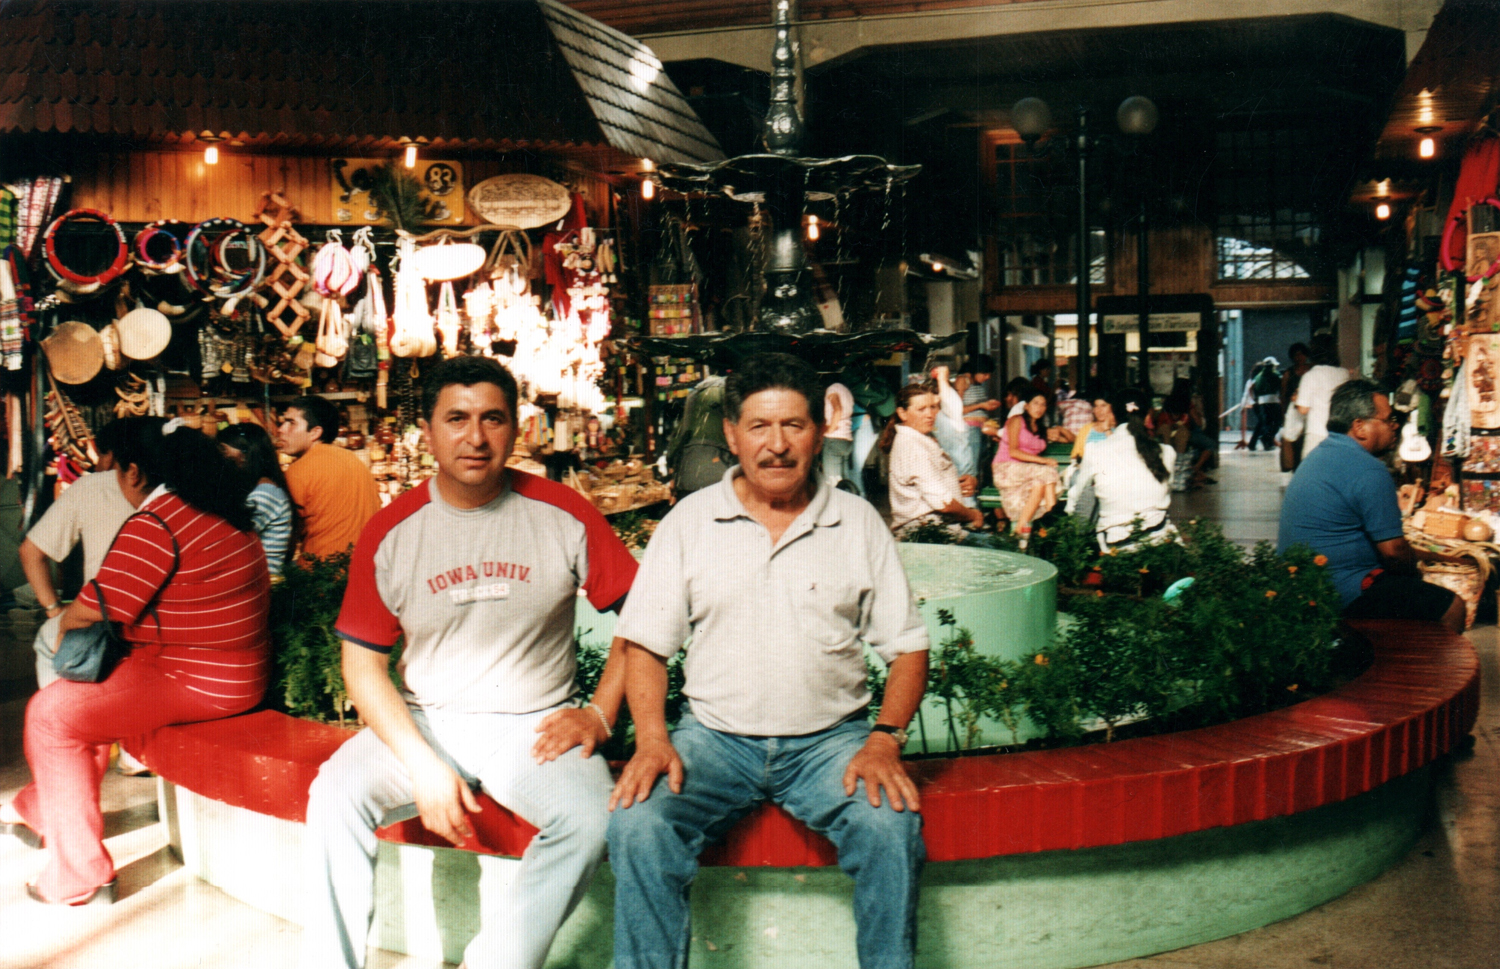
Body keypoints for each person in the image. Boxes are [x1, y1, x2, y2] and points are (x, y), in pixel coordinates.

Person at [300, 356, 639, 969]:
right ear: (427, 431)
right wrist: (423, 767)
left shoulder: (565, 512)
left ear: (517, 428)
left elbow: (645, 617)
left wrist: (599, 713)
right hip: (427, 721)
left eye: (493, 419)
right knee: (334, 795)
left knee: (590, 822)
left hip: (534, 726)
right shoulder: (391, 530)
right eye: (456, 419)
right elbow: (361, 668)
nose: (475, 438)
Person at [606, 352, 930, 969]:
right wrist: (652, 737)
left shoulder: (857, 523)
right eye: (759, 427)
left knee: (891, 829)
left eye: (793, 426)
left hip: (831, 744)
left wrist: (885, 739)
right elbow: (646, 644)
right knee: (638, 824)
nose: (776, 445)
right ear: (732, 435)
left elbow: (908, 646)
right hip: (714, 742)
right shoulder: (688, 523)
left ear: (819, 430)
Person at [1, 417, 270, 904]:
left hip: (192, 678)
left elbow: (86, 611)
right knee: (80, 704)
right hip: (238, 671)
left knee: (51, 715)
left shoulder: (160, 522)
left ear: (134, 472)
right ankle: (44, 810)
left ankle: (79, 876)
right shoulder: (223, 508)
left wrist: (64, 619)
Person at [1279, 379, 1464, 633]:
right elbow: (1394, 552)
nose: (1395, 426)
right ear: (1359, 427)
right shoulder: (1368, 469)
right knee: (1452, 606)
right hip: (1343, 590)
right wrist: (1417, 573)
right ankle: (1424, 672)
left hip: (1306, 583)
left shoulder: (1321, 454)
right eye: (1387, 420)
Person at [19, 419, 134, 689]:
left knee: (49, 641)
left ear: (110, 456)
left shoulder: (92, 486)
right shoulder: (178, 491)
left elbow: (30, 551)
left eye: (100, 455)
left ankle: (56, 712)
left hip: (105, 624)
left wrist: (54, 611)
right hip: (163, 620)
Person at [1066, 389, 1176, 550]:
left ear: (1112, 416)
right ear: (1147, 417)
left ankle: (1077, 553)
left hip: (1117, 546)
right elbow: (1167, 493)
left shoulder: (1095, 451)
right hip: (1160, 540)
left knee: (1089, 492)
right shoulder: (1166, 452)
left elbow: (1076, 496)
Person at [278, 394, 382, 559]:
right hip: (365, 567)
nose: (281, 429)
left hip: (322, 573)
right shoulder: (353, 459)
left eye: (291, 423)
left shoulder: (299, 471)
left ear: (315, 433)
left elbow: (283, 537)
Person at [882, 382, 987, 539]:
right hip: (927, 536)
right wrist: (973, 515)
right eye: (921, 409)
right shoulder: (912, 446)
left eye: (933, 407)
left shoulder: (919, 439)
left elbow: (928, 484)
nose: (930, 414)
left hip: (937, 530)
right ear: (902, 413)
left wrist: (958, 485)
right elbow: (943, 504)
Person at [218, 423, 294, 576]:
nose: (220, 457)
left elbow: (230, 541)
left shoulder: (265, 494)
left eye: (223, 450)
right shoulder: (258, 488)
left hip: (263, 584)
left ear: (246, 455)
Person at [992, 389, 1060, 548]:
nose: (1039, 407)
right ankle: (1052, 518)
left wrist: (1059, 432)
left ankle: (1018, 533)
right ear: (1027, 406)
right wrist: (1043, 460)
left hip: (1028, 473)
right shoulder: (1017, 421)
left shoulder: (1041, 428)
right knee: (1047, 471)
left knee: (1039, 484)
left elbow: (1069, 438)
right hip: (1006, 468)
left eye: (1043, 404)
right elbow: (1013, 451)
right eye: (1036, 403)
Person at [1289, 336, 1349, 459]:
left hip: (1316, 434)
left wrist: (1296, 399)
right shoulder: (1344, 373)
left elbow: (1303, 409)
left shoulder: (1310, 375)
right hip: (1340, 434)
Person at [929, 363, 975, 492]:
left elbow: (949, 400)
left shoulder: (953, 416)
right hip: (942, 479)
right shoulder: (930, 420)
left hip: (961, 479)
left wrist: (942, 379)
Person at [1237, 357, 1282, 452]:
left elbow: (1248, 392)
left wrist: (1251, 401)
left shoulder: (1255, 379)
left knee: (1262, 424)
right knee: (1266, 424)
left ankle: (1255, 443)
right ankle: (1264, 441)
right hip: (1264, 403)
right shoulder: (1268, 376)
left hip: (1258, 404)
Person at [1280, 342, 1312, 472]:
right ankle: (1295, 468)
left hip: (1309, 410)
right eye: (1296, 355)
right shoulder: (1288, 373)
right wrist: (1283, 413)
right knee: (1294, 440)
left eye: (1301, 354)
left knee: (1306, 439)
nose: (1299, 357)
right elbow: (1283, 394)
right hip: (1293, 411)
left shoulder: (1312, 370)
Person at [823, 378, 858, 493]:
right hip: (847, 439)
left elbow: (837, 409)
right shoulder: (847, 392)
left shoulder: (832, 389)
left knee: (833, 481)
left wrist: (829, 430)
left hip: (834, 439)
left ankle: (835, 509)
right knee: (845, 481)